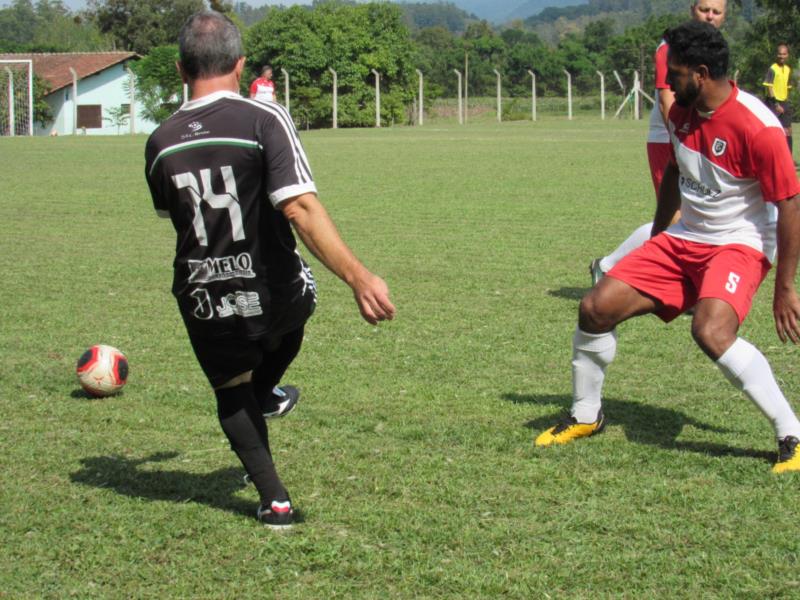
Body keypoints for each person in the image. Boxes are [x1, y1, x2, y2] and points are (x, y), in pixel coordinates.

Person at [144, 11, 395, 528]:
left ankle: (273, 501)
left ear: (179, 68)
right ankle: (267, 395)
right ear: (239, 65)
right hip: (269, 283)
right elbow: (298, 207)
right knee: (301, 305)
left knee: (229, 388)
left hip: (200, 289)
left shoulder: (159, 141)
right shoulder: (264, 118)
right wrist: (359, 275)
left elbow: (175, 217)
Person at [537, 21, 800, 474]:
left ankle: (791, 434)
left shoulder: (759, 128)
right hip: (685, 238)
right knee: (595, 308)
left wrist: (785, 287)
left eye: (674, 74)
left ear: (700, 73)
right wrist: (658, 241)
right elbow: (677, 176)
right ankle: (585, 415)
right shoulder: (680, 111)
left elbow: (791, 206)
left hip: (739, 243)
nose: (667, 84)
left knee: (711, 331)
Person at [590, 0, 726, 285]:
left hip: (695, 139)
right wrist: (682, 141)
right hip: (671, 138)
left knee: (691, 215)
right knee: (678, 215)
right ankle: (614, 266)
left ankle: (609, 265)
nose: (710, 17)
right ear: (692, 9)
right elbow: (667, 100)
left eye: (717, 12)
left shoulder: (714, 48)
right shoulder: (670, 47)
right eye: (705, 10)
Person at [763, 44, 793, 155]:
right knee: (771, 130)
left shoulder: (788, 69)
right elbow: (769, 87)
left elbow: (788, 87)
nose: (782, 56)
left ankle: (789, 158)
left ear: (787, 55)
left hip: (784, 102)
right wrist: (776, 104)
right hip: (773, 102)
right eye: (780, 54)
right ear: (777, 55)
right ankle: (769, 155)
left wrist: (786, 103)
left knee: (788, 131)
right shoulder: (772, 69)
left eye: (784, 54)